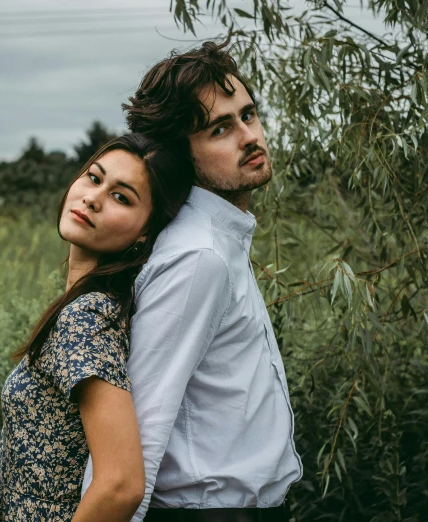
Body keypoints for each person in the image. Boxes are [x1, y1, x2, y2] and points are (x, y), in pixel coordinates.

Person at [81, 39, 303, 522]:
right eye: (220, 129)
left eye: (248, 115)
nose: (249, 136)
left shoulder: (219, 238)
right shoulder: (197, 256)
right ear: (182, 156)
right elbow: (139, 433)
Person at [0, 133, 192, 521]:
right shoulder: (92, 308)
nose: (93, 198)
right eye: (94, 178)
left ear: (146, 231)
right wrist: (8, 486)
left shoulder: (86, 317)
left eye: (122, 197)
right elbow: (72, 458)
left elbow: (121, 485)